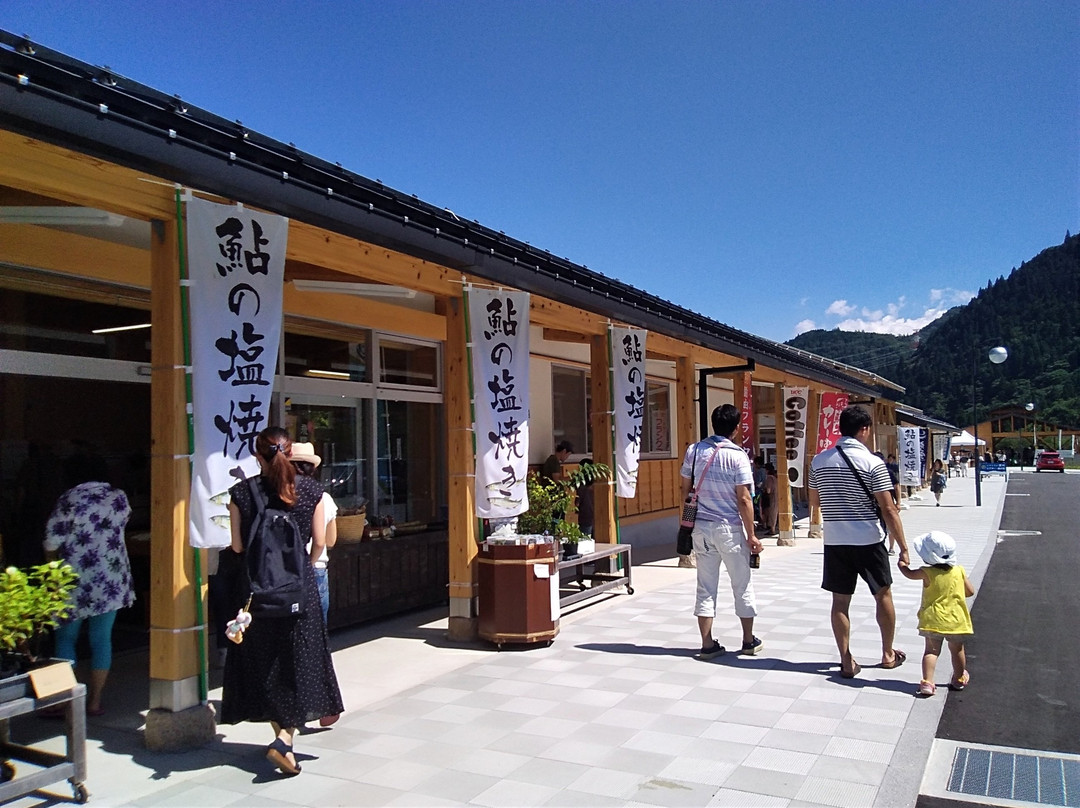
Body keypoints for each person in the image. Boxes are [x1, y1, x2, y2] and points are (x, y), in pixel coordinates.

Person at [221, 428, 344, 777]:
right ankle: (285, 741)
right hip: (300, 589)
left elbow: (237, 547)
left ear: (256, 455)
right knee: (299, 661)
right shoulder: (311, 491)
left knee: (267, 664)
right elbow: (320, 541)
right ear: (289, 454)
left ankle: (282, 737)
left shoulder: (240, 493)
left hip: (257, 593)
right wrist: (302, 566)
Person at [808, 405, 909, 679]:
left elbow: (814, 502)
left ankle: (846, 659)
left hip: (836, 540)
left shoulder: (818, 461)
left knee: (840, 601)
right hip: (868, 538)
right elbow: (888, 509)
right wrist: (903, 546)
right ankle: (888, 654)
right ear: (864, 429)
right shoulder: (874, 463)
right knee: (883, 594)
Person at [43, 451, 134, 717]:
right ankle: (95, 700)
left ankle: (64, 701)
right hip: (111, 577)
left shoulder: (69, 498)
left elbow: (51, 540)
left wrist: (51, 570)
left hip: (73, 578)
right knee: (102, 639)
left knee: (65, 639)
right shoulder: (119, 497)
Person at [680, 404, 764, 659]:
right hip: (730, 528)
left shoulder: (694, 451)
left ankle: (707, 643)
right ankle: (748, 640)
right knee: (742, 583)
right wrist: (751, 534)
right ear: (736, 428)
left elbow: (684, 491)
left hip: (701, 527)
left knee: (705, 586)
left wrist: (685, 523)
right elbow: (744, 499)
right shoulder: (738, 456)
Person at [898, 530, 974, 697]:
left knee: (931, 651)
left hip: (933, 619)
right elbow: (970, 592)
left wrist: (902, 565)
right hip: (956, 620)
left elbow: (909, 575)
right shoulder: (959, 571)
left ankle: (927, 682)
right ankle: (959, 678)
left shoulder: (926, 572)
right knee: (957, 650)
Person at [288, 442, 338, 622]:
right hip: (316, 567)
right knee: (317, 628)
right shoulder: (323, 496)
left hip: (288, 569)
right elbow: (328, 541)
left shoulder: (282, 495)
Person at [575, 457, 595, 537]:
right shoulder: (595, 482)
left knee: (585, 539)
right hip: (594, 514)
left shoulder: (580, 483)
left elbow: (578, 501)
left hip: (585, 515)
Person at [761, 463, 779, 537]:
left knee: (771, 513)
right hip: (776, 496)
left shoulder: (769, 478)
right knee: (774, 512)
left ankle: (772, 529)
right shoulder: (775, 478)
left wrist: (763, 489)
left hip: (771, 497)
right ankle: (773, 527)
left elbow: (768, 490)